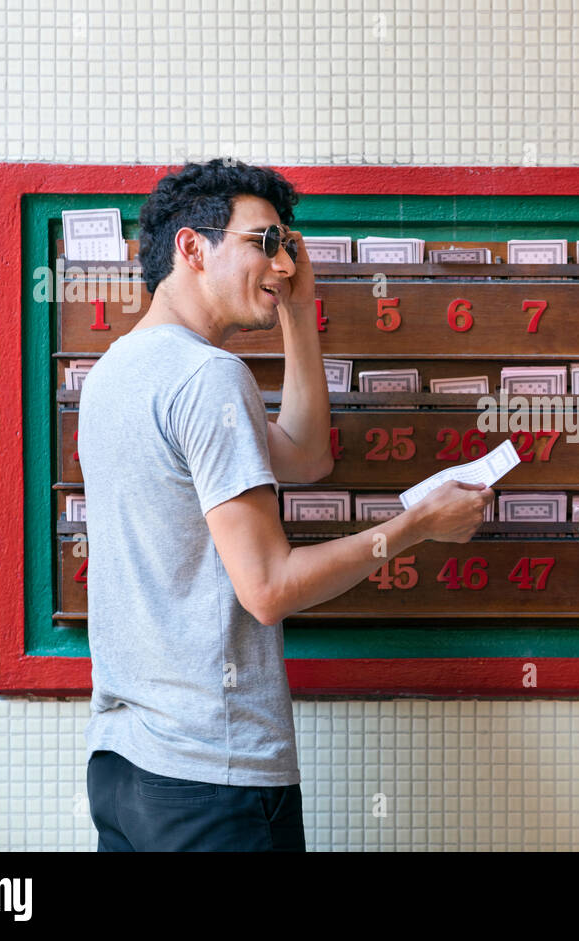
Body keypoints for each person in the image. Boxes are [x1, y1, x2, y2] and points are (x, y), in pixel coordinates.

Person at [78, 159, 492, 851]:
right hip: (214, 776)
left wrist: (299, 314)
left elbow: (304, 455)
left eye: (286, 247)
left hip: (125, 768)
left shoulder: (115, 369)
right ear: (192, 247)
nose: (283, 264)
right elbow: (267, 588)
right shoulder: (208, 377)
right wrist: (417, 525)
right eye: (263, 243)